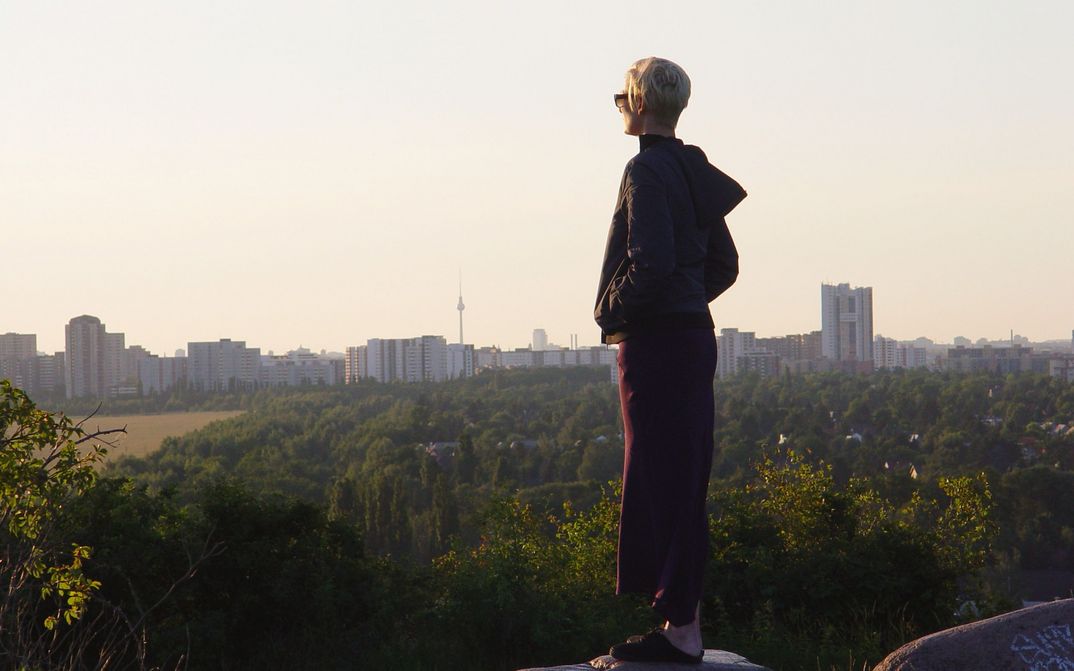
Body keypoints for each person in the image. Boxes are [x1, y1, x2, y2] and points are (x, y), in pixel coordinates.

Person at [594, 57, 746, 664]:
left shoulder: (646, 170)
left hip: (657, 343)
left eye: (620, 96)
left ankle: (681, 632)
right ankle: (682, 623)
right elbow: (723, 265)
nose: (618, 106)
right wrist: (685, 302)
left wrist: (616, 311)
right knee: (681, 477)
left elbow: (652, 262)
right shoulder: (691, 169)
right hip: (689, 337)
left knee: (663, 477)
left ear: (637, 99)